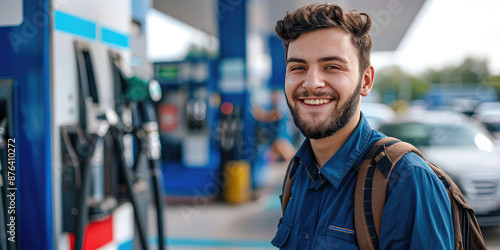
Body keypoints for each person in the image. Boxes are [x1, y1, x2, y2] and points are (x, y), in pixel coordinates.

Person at [271, 3, 453, 249]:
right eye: (298, 68)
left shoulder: (406, 179)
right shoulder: (298, 171)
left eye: (332, 67)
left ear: (365, 81)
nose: (312, 83)